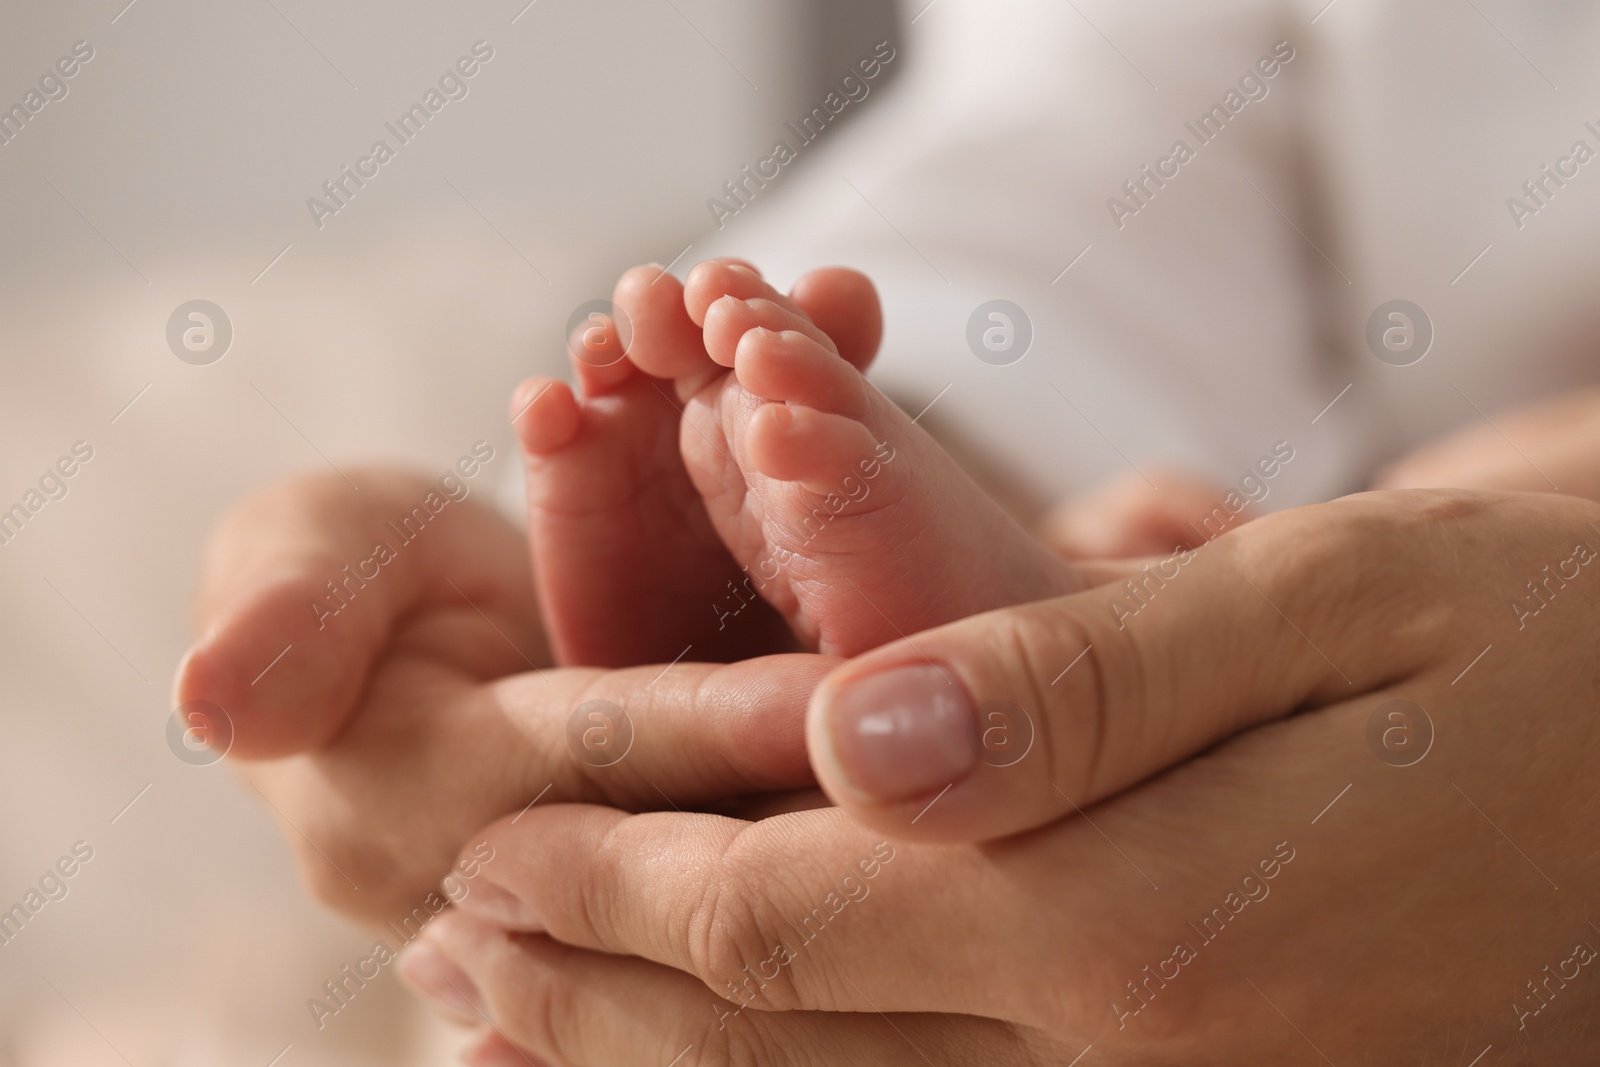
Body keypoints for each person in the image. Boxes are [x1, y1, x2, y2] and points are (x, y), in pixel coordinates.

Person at [178, 0, 1600, 1062]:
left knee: (1486, 487)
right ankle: (1032, 596)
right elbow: (1120, 109)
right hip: (1376, 558)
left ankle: (1108, 603)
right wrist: (934, 430)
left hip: (1452, 545)